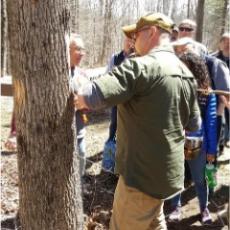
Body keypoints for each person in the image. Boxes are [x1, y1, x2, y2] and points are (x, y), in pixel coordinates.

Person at [73, 12, 201, 229]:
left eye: (137, 35)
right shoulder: (184, 72)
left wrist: (75, 85)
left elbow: (89, 97)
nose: (133, 41)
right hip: (167, 175)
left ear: (151, 32)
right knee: (154, 221)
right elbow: (194, 124)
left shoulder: (140, 66)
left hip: (140, 180)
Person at [168, 51, 217, 225]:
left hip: (198, 144)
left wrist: (212, 150)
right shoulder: (174, 86)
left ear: (195, 69)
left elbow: (211, 123)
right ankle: (175, 207)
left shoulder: (206, 93)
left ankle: (204, 208)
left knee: (199, 179)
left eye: (185, 67)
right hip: (175, 142)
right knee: (176, 176)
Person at [69, 33, 88, 176]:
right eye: (78, 49)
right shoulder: (56, 74)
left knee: (81, 160)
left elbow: (90, 104)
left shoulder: (82, 74)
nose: (82, 53)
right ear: (67, 49)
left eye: (83, 50)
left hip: (79, 131)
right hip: (61, 135)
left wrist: (85, 102)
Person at [213, 33, 230, 150]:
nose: (227, 44)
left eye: (229, 42)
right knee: (218, 121)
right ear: (220, 44)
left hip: (229, 96)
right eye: (225, 41)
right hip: (216, 95)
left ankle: (226, 139)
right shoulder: (213, 58)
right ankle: (219, 145)